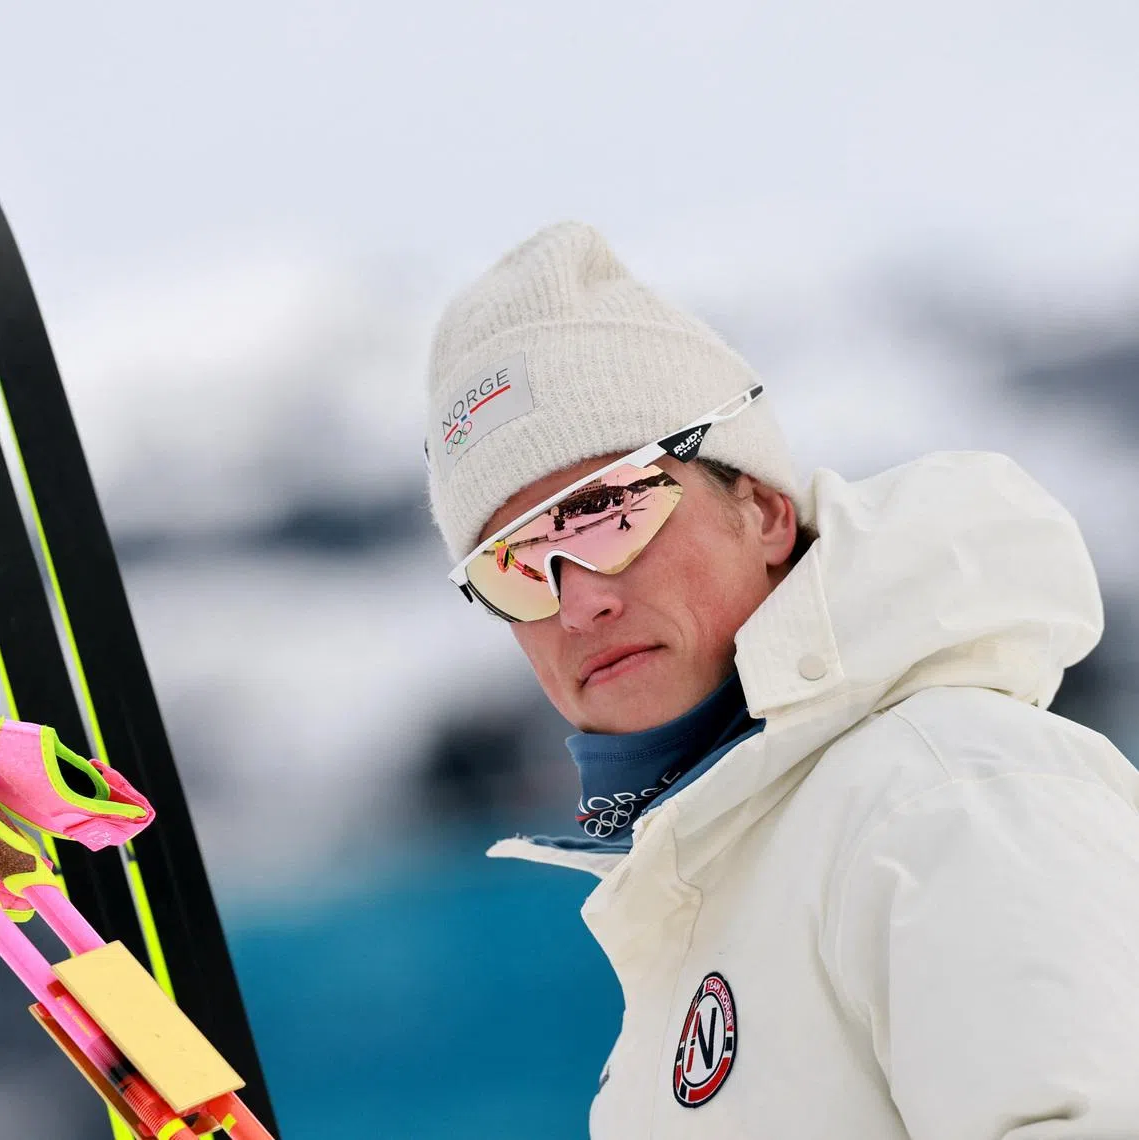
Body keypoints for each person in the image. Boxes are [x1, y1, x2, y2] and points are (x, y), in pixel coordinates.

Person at [423, 222, 1139, 1138]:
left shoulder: (946, 795)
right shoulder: (716, 877)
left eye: (606, 513)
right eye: (514, 565)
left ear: (760, 510)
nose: (577, 603)